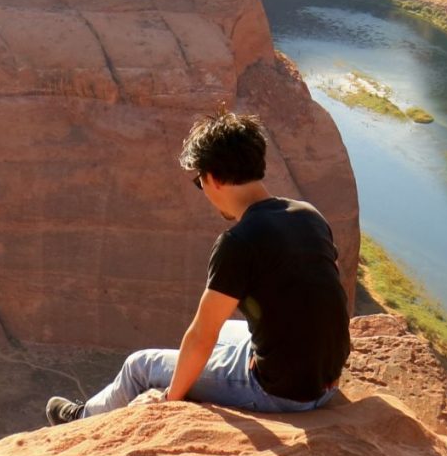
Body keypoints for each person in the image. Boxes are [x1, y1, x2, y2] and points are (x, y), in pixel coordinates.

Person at [46, 110, 350, 425]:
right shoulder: (308, 214)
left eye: (198, 181)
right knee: (229, 331)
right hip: (326, 383)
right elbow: (318, 295)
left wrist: (170, 398)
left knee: (141, 366)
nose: (201, 189)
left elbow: (202, 335)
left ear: (213, 178)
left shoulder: (238, 242)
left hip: (281, 395)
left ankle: (81, 419)